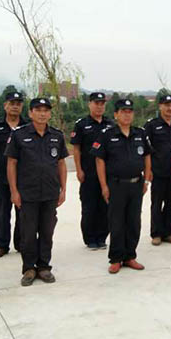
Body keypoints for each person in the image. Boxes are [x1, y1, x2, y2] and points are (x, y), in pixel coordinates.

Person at [5, 97, 68, 287]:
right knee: (28, 233)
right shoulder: (19, 135)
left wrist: (63, 189)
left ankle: (44, 266)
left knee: (47, 232)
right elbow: (11, 163)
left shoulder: (57, 135)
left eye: (46, 110)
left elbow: (61, 163)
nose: (42, 114)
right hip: (27, 193)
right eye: (38, 110)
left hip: (50, 193)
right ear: (30, 113)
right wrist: (14, 191)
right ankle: (29, 268)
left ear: (50, 114)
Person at [92, 99, 152, 273]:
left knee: (134, 222)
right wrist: (104, 186)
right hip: (116, 185)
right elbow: (99, 160)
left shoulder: (140, 133)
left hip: (136, 184)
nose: (127, 115)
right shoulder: (107, 134)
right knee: (116, 222)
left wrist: (146, 180)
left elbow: (147, 156)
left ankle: (130, 256)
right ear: (116, 114)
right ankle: (116, 258)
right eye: (123, 111)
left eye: (130, 111)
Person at [0, 91, 27, 258]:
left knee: (23, 212)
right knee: (3, 212)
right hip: (2, 176)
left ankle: (21, 243)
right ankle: (2, 245)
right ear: (5, 105)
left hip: (23, 177)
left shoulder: (28, 125)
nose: (15, 106)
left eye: (18, 103)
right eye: (12, 103)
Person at [71, 92, 113, 250]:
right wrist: (78, 169)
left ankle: (102, 237)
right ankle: (90, 239)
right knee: (89, 207)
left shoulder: (110, 124)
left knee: (105, 207)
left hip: (107, 174)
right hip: (88, 173)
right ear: (89, 104)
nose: (99, 106)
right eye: (96, 103)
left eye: (102, 103)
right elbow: (76, 149)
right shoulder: (82, 125)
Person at [144, 94, 171, 246]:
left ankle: (168, 233)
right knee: (157, 204)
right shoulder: (152, 126)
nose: (169, 108)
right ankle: (156, 234)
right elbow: (146, 150)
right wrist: (147, 170)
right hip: (158, 172)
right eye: (166, 105)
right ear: (160, 106)